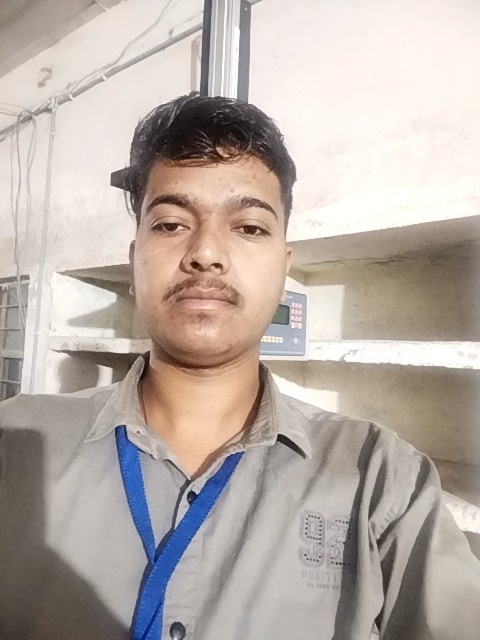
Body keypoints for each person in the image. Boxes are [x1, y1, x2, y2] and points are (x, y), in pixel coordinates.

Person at [1, 94, 479, 640]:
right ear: (134, 263)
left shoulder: (382, 481)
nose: (206, 252)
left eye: (249, 227)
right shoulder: (14, 441)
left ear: (283, 269)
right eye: (171, 224)